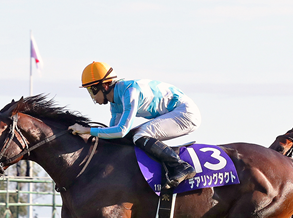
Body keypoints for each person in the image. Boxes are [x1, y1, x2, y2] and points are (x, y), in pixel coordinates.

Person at [68, 61, 200, 189]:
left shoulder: (130, 92)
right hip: (175, 112)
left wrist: (87, 130)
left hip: (185, 114)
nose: (92, 97)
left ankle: (180, 166)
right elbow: (113, 136)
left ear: (104, 86)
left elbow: (121, 131)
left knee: (139, 135)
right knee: (133, 135)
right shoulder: (115, 102)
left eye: (92, 91)